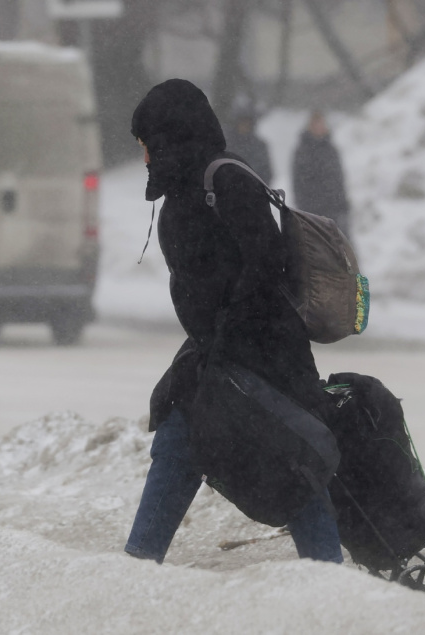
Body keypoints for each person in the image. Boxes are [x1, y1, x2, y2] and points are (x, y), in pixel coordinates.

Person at [124, 79, 342, 565]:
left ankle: (330, 579)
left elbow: (267, 263)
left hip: (265, 354)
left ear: (168, 137)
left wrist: (230, 332)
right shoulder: (184, 188)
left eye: (146, 145)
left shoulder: (225, 181)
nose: (143, 159)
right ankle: (139, 560)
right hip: (223, 352)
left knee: (292, 461)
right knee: (182, 432)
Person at [291, 110, 352, 240]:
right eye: (316, 124)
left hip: (334, 210)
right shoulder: (302, 152)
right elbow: (297, 183)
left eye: (321, 124)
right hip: (311, 212)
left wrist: (343, 206)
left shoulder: (331, 150)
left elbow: (339, 180)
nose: (319, 128)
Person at [224, 104, 274, 184]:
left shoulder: (260, 146)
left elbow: (266, 173)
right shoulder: (225, 145)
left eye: (248, 122)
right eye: (242, 122)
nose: (245, 125)